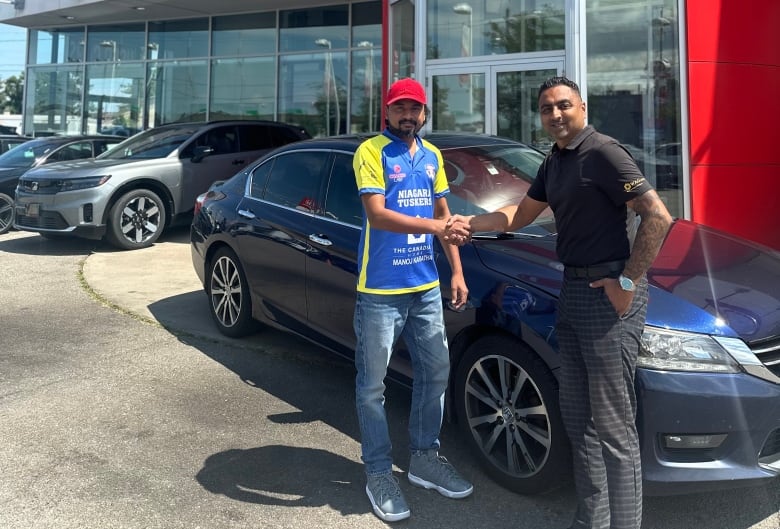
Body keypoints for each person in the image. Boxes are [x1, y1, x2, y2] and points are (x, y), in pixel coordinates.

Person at [445, 76, 672, 529]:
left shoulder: (604, 152)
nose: (555, 115)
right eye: (547, 109)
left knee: (613, 429)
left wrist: (627, 281)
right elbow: (521, 214)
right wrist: (471, 221)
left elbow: (657, 215)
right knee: (579, 420)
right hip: (572, 291)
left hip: (607, 298)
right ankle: (591, 520)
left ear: (582, 108)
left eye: (563, 105)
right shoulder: (556, 160)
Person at [352, 77, 473, 522]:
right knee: (372, 386)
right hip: (381, 291)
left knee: (435, 372)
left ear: (424, 114)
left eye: (415, 109)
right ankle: (378, 471)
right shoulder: (371, 151)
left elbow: (444, 216)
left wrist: (456, 270)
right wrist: (440, 229)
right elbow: (377, 214)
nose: (408, 115)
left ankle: (424, 458)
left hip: (424, 288)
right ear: (387, 112)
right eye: (400, 108)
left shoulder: (433, 155)